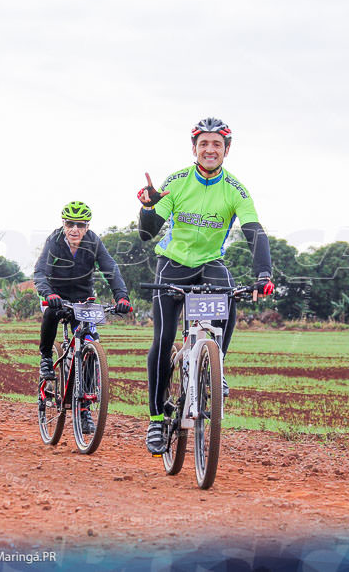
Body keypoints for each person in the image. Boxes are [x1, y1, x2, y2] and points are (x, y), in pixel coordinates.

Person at [137, 117, 274, 455]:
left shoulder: (236, 190)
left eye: (217, 144)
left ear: (227, 150)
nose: (210, 149)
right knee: (163, 338)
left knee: (229, 292)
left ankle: (217, 364)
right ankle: (156, 419)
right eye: (204, 144)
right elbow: (146, 232)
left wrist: (264, 275)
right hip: (173, 263)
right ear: (194, 149)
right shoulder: (177, 182)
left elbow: (254, 232)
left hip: (209, 263)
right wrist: (149, 205)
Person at [33, 201, 131, 434]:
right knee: (52, 314)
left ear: (87, 227)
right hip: (56, 295)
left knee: (89, 341)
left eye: (80, 225)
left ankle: (85, 409)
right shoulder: (54, 242)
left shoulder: (94, 242)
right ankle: (46, 356)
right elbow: (39, 273)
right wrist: (49, 293)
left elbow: (111, 269)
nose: (74, 229)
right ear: (63, 225)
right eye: (70, 224)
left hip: (83, 298)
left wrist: (122, 297)